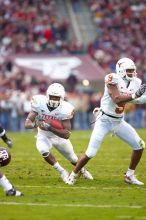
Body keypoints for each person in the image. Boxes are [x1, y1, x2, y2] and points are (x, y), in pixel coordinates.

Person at [67, 57, 146, 185]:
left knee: (139, 146)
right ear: (120, 70)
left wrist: (139, 97)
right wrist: (135, 95)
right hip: (104, 120)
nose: (132, 73)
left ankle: (130, 175)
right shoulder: (112, 78)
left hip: (119, 122)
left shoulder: (135, 82)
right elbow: (117, 99)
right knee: (91, 152)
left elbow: (134, 100)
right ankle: (74, 174)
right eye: (129, 70)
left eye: (133, 70)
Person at [25, 83, 93, 183]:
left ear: (61, 98)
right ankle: (62, 172)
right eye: (52, 97)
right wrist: (34, 125)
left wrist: (51, 128)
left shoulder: (66, 108)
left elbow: (67, 134)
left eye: (56, 97)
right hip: (43, 134)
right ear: (47, 96)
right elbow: (27, 123)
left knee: (73, 158)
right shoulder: (39, 102)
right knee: (42, 149)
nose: (53, 99)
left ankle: (82, 170)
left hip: (59, 137)